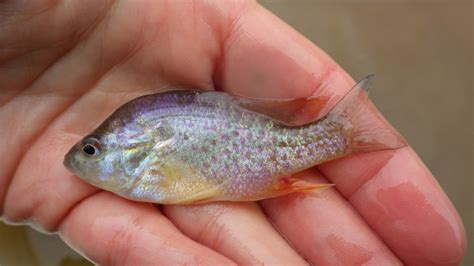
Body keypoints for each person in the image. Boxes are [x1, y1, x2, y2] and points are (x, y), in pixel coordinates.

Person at [0, 1, 466, 265]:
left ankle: (339, 133)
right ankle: (337, 133)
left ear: (130, 149)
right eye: (90, 149)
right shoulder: (140, 155)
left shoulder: (144, 156)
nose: (82, 159)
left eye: (92, 149)